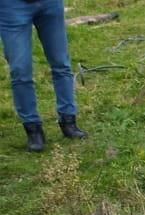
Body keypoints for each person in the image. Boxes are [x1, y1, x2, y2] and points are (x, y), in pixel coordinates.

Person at [1, 0, 89, 152]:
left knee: (61, 63)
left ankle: (68, 121)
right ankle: (33, 129)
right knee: (20, 70)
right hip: (12, 6)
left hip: (50, 3)